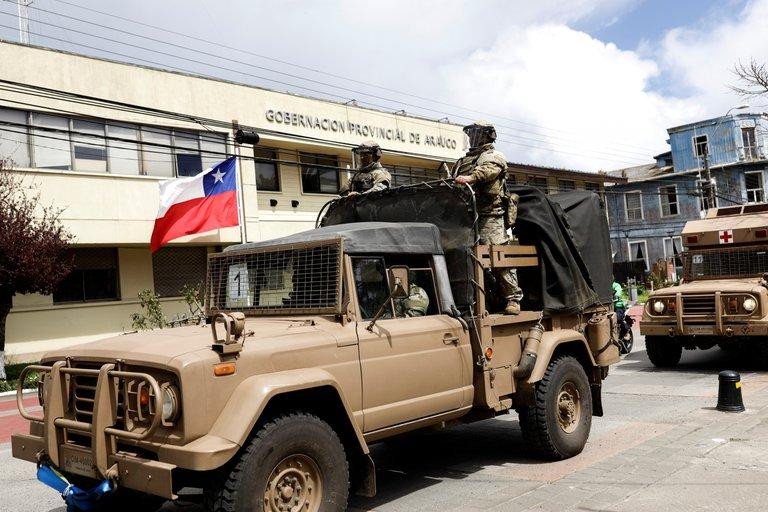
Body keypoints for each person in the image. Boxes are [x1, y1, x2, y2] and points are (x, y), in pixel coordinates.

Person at [452, 121, 523, 315]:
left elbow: (487, 171)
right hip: (464, 218)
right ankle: (474, 300)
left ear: (487, 136)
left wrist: (469, 178)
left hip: (490, 216)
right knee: (464, 259)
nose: (472, 138)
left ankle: (513, 299)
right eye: (470, 134)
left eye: (476, 134)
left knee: (498, 255)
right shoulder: (462, 161)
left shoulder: (493, 155)